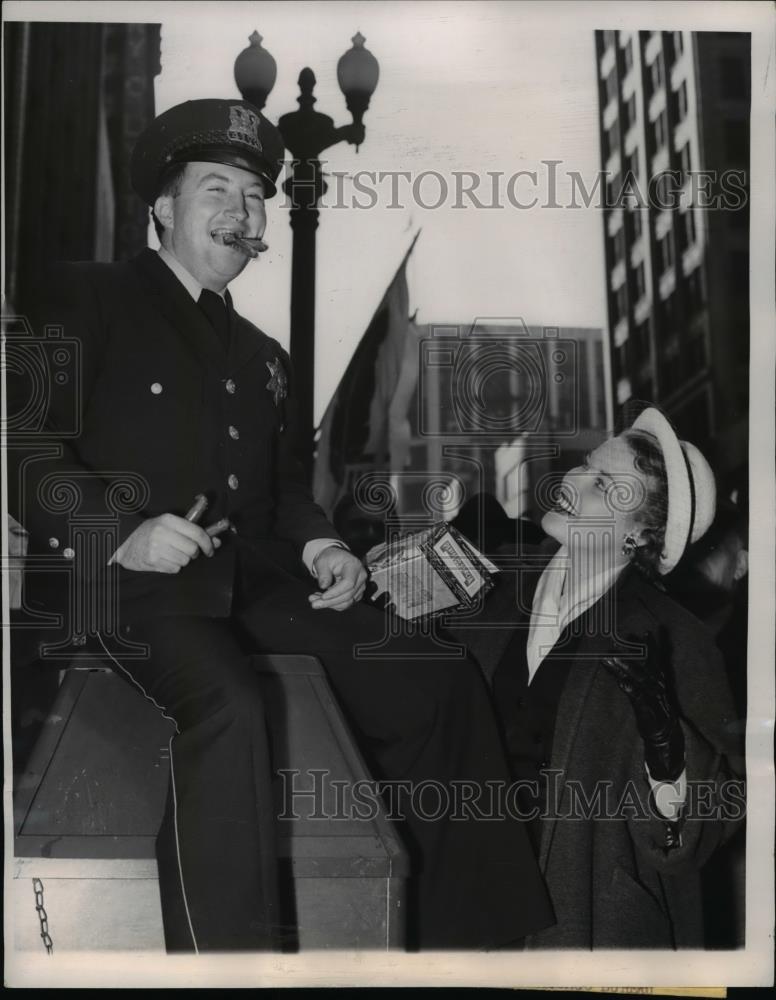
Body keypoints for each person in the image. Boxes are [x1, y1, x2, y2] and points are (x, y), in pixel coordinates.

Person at [7, 98, 554, 953]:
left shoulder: (266, 355)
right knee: (226, 705)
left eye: (256, 196)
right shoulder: (90, 295)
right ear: (162, 207)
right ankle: (227, 968)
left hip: (254, 582)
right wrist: (120, 529)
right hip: (120, 586)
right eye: (215, 189)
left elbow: (285, 489)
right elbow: (22, 442)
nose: (241, 212)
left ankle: (471, 948)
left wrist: (324, 545)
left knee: (431, 675)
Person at [450, 406, 743, 948]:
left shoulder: (676, 638)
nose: (571, 480)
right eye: (587, 465)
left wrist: (669, 757)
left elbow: (708, 827)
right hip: (465, 903)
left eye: (603, 483)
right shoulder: (492, 580)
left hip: (585, 921)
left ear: (639, 534)